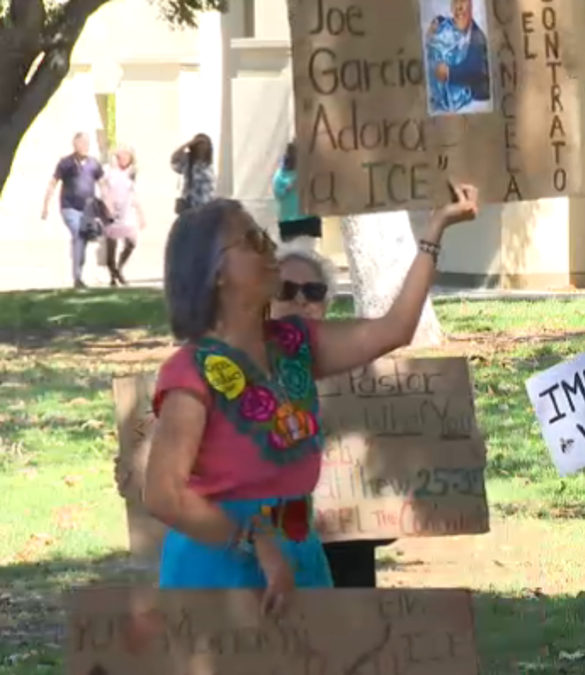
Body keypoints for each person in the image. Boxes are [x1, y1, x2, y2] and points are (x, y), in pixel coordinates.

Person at [141, 184, 480, 613]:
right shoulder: (190, 372)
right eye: (251, 241)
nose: (268, 249)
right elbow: (163, 494)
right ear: (216, 272)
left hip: (298, 556)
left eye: (265, 238)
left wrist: (436, 229)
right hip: (216, 570)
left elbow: (395, 328)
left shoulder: (294, 345)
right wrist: (253, 538)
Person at [268, 243, 396, 588]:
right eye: (285, 290)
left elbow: (388, 512)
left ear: (327, 302)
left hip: (347, 565)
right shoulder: (235, 372)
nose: (300, 301)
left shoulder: (361, 375)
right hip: (266, 563)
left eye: (313, 291)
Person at [42, 132, 104, 289]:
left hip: (88, 210)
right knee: (78, 234)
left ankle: (78, 274)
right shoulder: (66, 163)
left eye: (86, 144)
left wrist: (107, 206)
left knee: (81, 240)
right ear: (75, 145)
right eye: (81, 144)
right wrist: (45, 205)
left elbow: (103, 184)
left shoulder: (94, 164)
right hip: (69, 207)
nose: (84, 147)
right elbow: (53, 183)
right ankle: (77, 277)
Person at [426, 0, 491, 114]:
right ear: (451, 7)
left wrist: (448, 72)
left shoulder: (478, 39)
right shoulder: (449, 28)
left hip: (474, 104)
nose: (459, 7)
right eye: (456, 2)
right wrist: (436, 21)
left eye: (463, 1)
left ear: (471, 6)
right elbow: (444, 20)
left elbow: (474, 69)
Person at [102, 144, 146, 286]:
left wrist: (141, 215)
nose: (124, 158)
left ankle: (119, 268)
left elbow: (134, 194)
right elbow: (103, 187)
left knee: (131, 242)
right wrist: (106, 203)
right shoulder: (109, 170)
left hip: (126, 212)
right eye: (122, 155)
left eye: (128, 156)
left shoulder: (132, 173)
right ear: (117, 156)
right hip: (111, 211)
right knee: (111, 246)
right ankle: (113, 275)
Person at [273, 142, 323, 243]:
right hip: (290, 221)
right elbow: (278, 194)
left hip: (309, 218)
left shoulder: (307, 171)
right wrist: (289, 186)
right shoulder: (280, 176)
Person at [171, 133, 216, 214]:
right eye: (199, 145)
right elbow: (174, 159)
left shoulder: (208, 165)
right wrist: (189, 143)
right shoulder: (188, 161)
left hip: (206, 209)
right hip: (191, 208)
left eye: (205, 145)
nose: (202, 148)